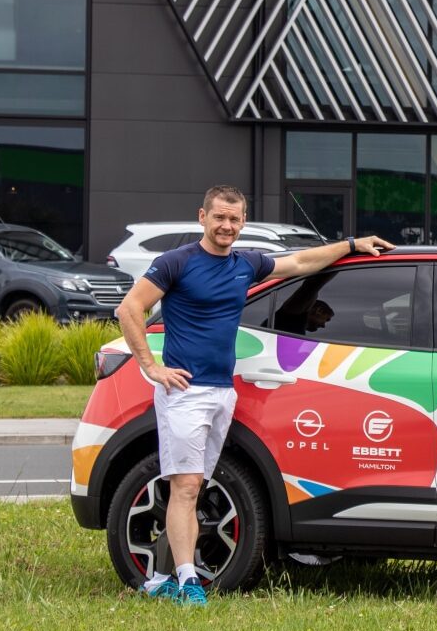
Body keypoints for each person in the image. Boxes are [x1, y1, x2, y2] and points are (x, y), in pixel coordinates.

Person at [115, 185, 393, 605]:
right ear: (202, 217)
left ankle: (169, 576)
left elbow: (299, 261)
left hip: (222, 393)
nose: (226, 225)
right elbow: (129, 309)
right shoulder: (176, 263)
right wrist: (150, 367)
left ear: (243, 222)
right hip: (185, 394)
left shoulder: (246, 264)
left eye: (234, 219)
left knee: (196, 485)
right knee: (186, 485)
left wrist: (352, 244)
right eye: (219, 217)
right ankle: (188, 581)